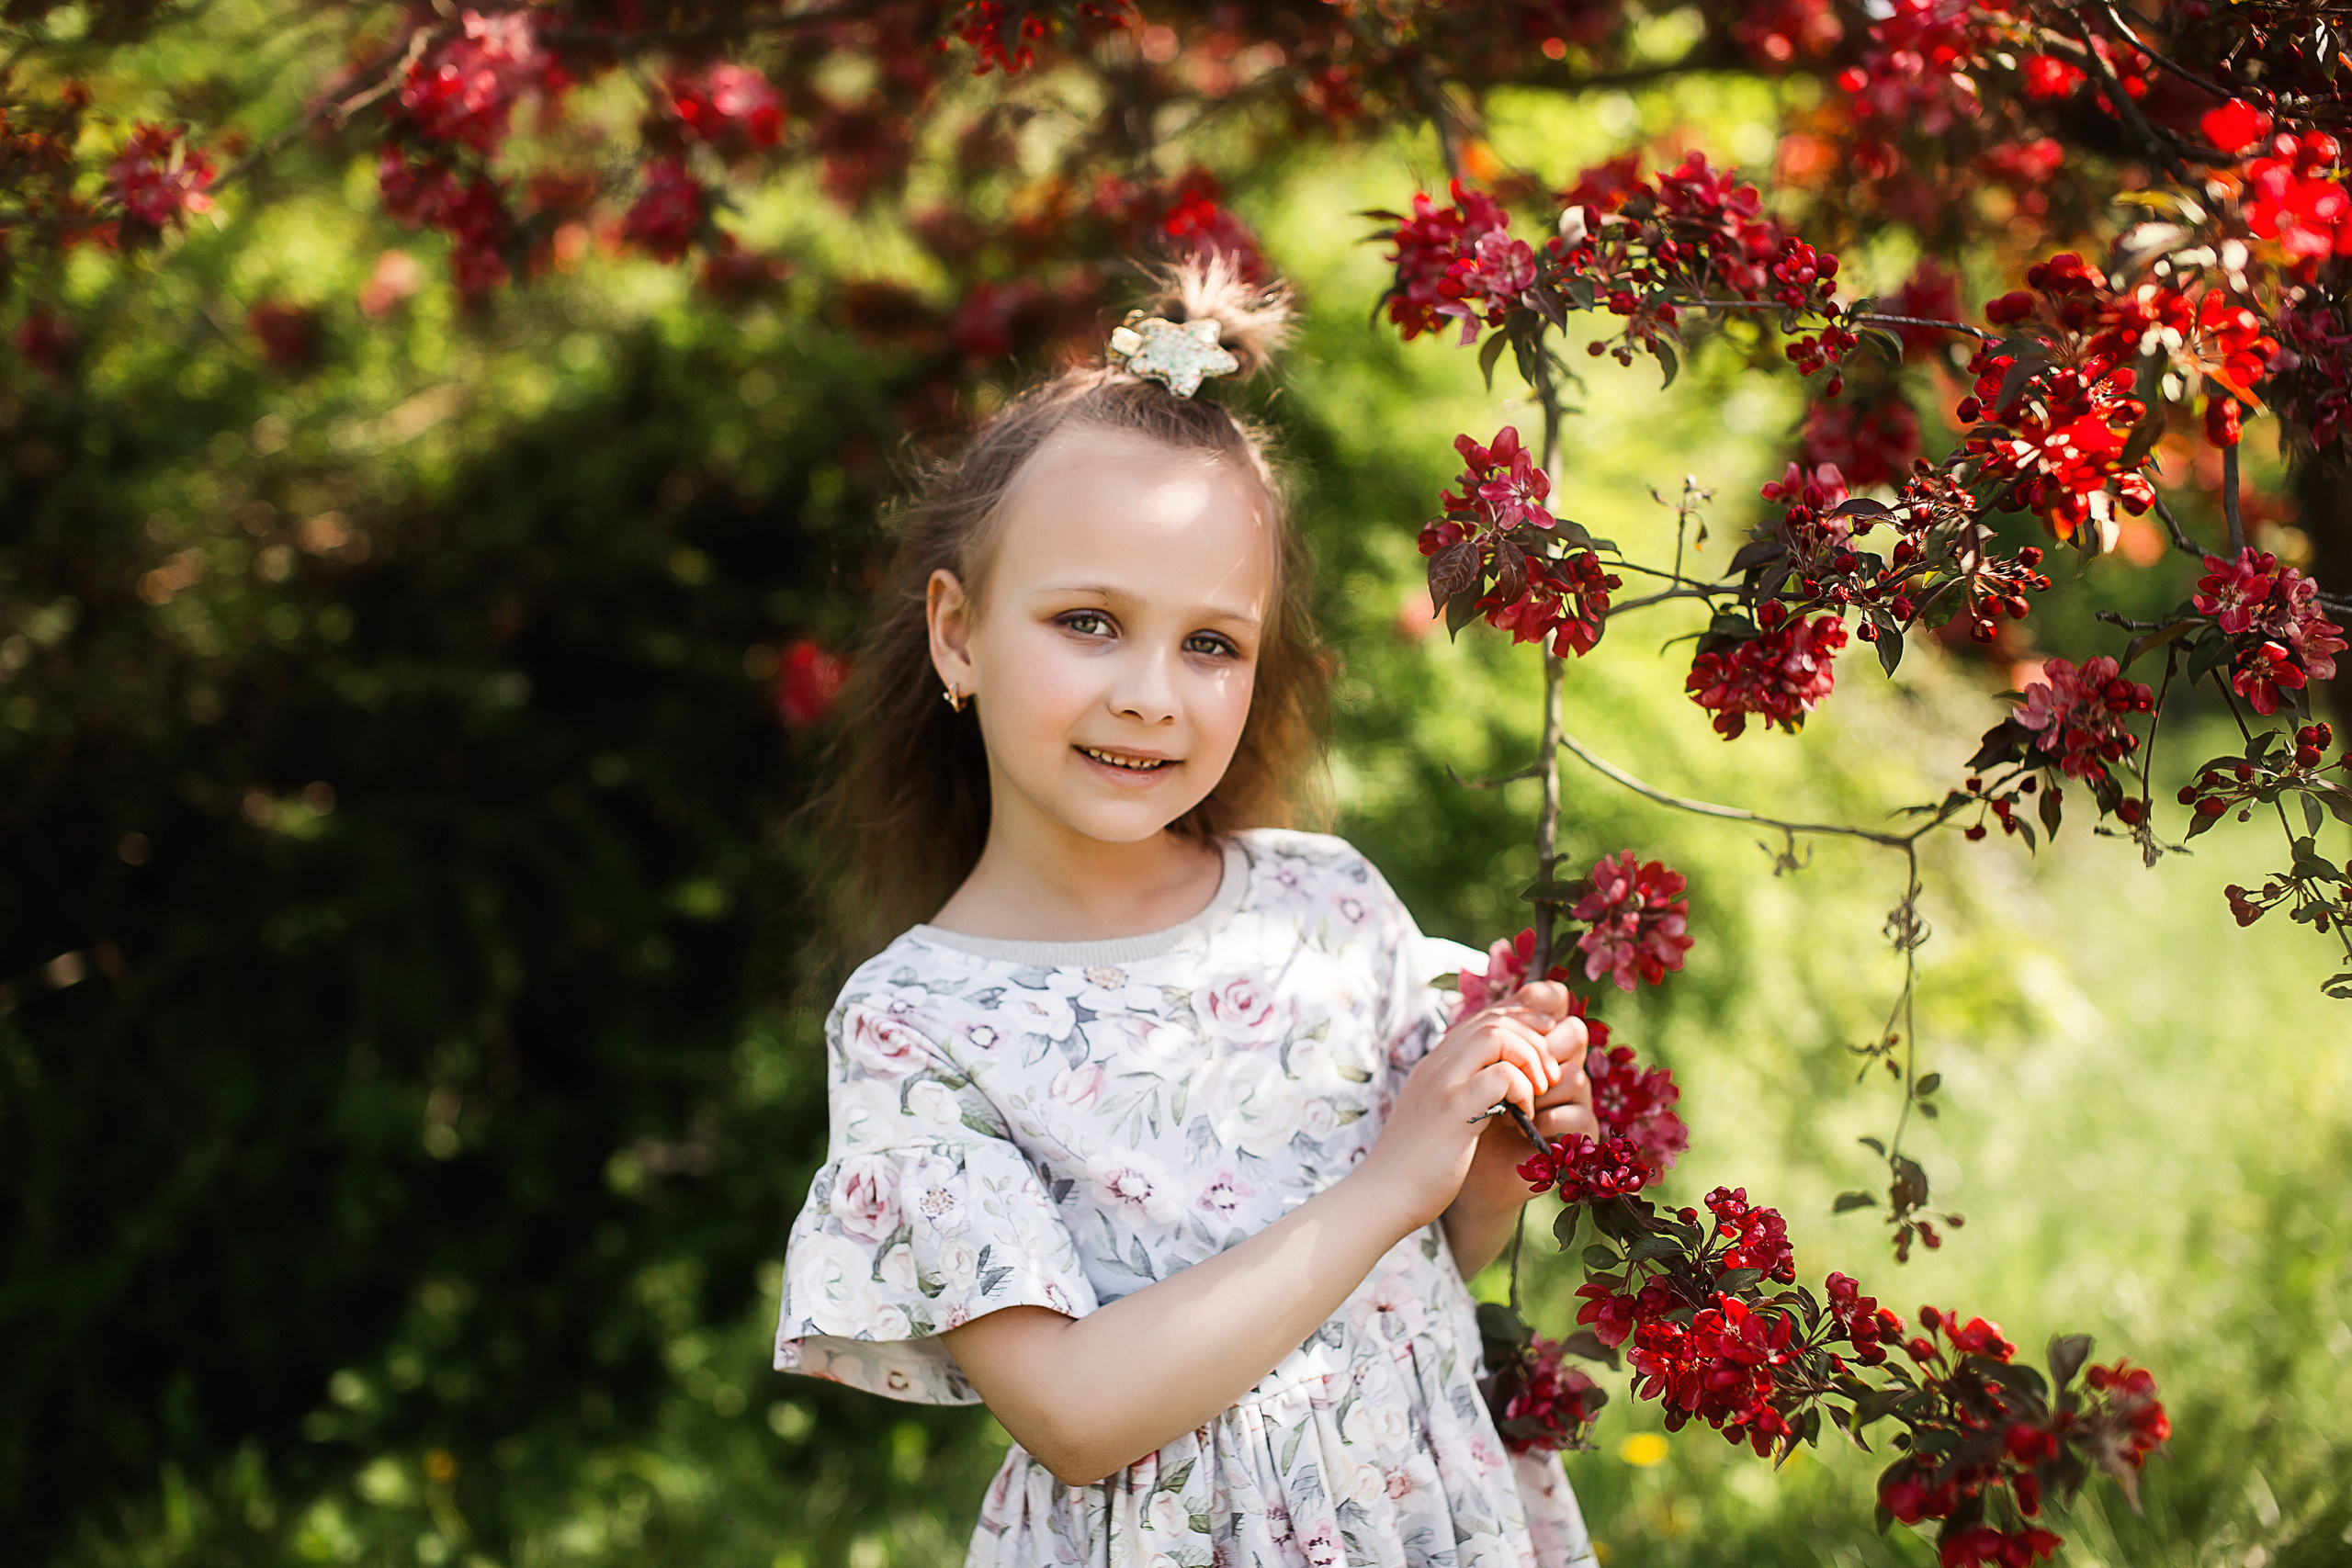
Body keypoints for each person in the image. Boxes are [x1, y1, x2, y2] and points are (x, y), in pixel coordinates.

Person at [775, 251, 1603, 1568]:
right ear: (958, 634)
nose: (1154, 693)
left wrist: (1478, 1177)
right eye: (1090, 621)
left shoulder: (1325, 905)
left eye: (1210, 642)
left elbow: (1425, 1267)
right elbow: (1078, 1415)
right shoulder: (920, 1025)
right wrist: (1393, 1184)